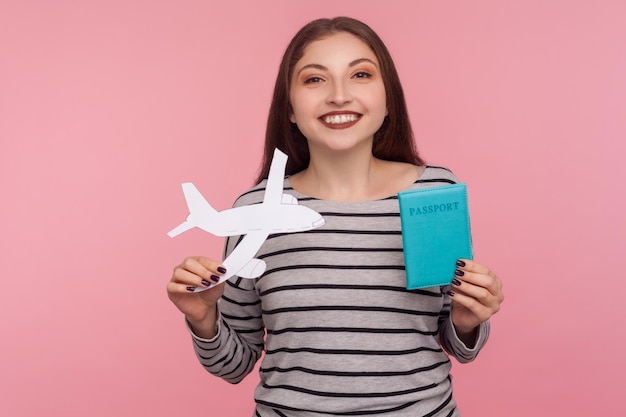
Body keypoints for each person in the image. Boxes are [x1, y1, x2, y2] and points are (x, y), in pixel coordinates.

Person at [167, 16, 504, 417]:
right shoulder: (254, 211)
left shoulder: (434, 193)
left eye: (360, 74)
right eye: (315, 79)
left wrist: (467, 319)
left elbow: (460, 346)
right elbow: (234, 365)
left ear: (387, 99)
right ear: (289, 108)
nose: (339, 95)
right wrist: (204, 319)